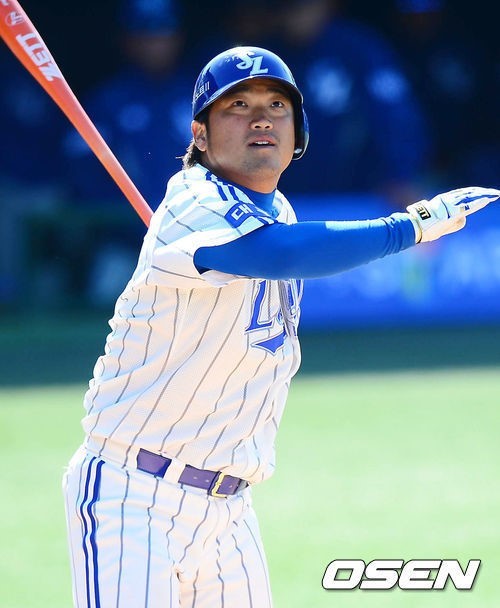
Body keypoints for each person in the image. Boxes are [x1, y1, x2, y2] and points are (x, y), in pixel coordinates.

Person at [62, 46, 499, 607]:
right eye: (237, 105)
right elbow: (285, 254)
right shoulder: (193, 199)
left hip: (229, 507)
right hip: (135, 493)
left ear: (299, 133)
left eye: (277, 105)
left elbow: (278, 248)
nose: (261, 118)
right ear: (200, 135)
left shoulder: (278, 213)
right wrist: (409, 227)